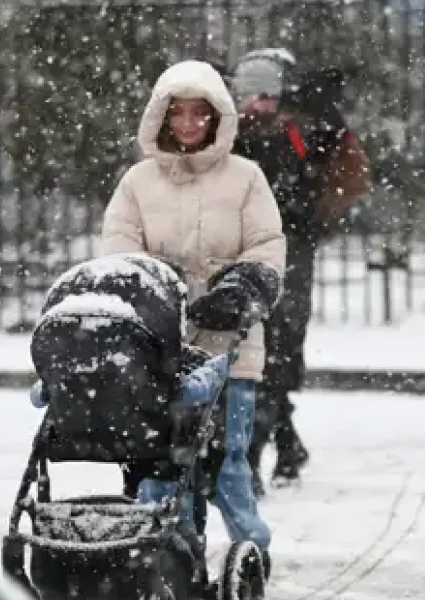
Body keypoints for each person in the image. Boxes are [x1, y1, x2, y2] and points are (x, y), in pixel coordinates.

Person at [98, 59, 286, 570]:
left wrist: (244, 285)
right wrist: (155, 287)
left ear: (216, 117)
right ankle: (174, 559)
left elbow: (267, 246)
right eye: (176, 113)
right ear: (160, 117)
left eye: (198, 113)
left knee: (229, 464)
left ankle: (252, 552)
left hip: (231, 347)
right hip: (161, 349)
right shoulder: (137, 184)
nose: (186, 124)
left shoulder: (246, 179)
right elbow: (118, 252)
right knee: (162, 467)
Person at [229, 49, 371, 496]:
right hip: (241, 252)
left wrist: (311, 218)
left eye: (265, 95)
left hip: (288, 252)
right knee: (255, 348)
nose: (256, 105)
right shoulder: (227, 134)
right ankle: (284, 444)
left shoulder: (303, 131)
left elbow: (344, 177)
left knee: (276, 345)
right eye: (247, 95)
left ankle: (254, 455)